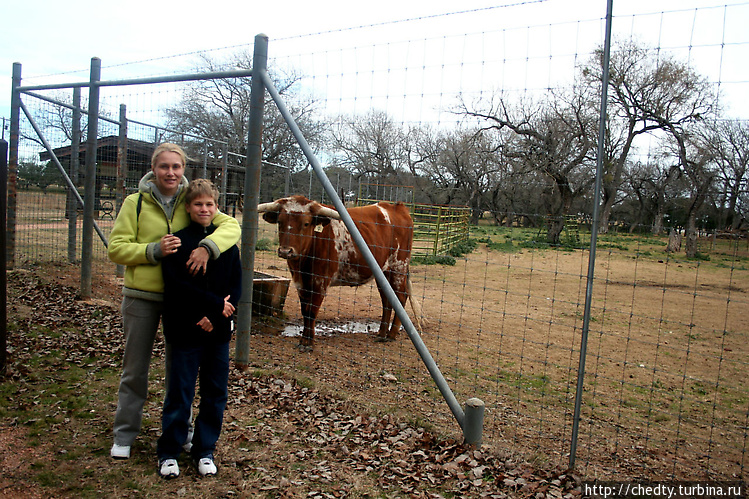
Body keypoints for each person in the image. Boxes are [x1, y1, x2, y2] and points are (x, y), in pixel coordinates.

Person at [107, 143, 240, 460]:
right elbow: (116, 248)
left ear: (184, 170)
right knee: (134, 371)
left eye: (176, 167)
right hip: (142, 297)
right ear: (153, 169)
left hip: (183, 303)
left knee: (178, 374)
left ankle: (181, 433)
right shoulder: (135, 203)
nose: (170, 172)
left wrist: (207, 247)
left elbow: (231, 226)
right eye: (164, 166)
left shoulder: (189, 200)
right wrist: (153, 250)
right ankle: (125, 434)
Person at [157, 179, 241, 479]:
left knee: (215, 392)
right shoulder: (178, 243)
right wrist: (211, 307)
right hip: (184, 328)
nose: (204, 209)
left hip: (217, 332)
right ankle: (169, 451)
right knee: (180, 391)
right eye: (198, 204)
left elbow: (236, 287)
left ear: (216, 207)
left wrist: (215, 316)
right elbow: (176, 287)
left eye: (210, 204)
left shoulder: (227, 246)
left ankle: (205, 449)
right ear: (188, 208)